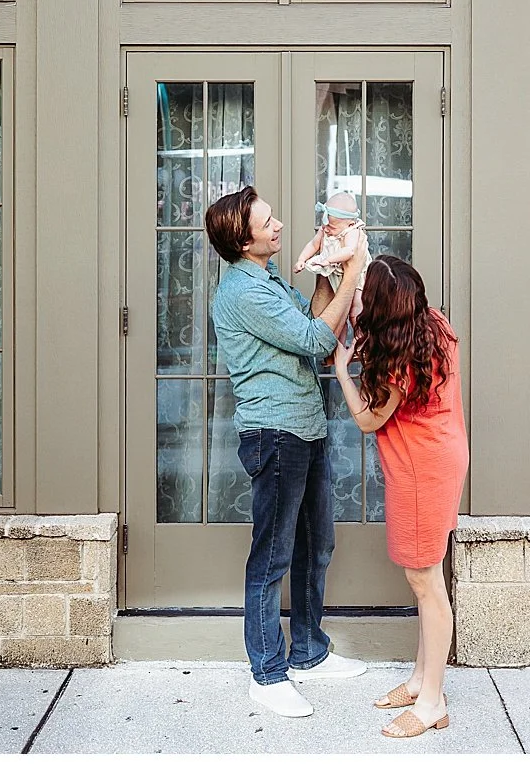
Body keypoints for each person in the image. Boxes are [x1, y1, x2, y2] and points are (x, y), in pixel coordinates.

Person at [204, 187, 368, 719]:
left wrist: (326, 269)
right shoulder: (243, 293)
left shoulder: (270, 280)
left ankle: (308, 652)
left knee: (315, 544)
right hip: (275, 434)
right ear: (242, 239)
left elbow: (316, 317)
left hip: (305, 427)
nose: (279, 226)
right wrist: (356, 264)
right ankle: (267, 674)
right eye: (267, 221)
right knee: (272, 556)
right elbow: (320, 341)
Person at [331, 256, 469, 740]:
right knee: (425, 581)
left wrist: (343, 370)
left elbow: (368, 421)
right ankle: (419, 682)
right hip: (443, 458)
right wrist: (349, 262)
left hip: (420, 472)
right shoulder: (433, 325)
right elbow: (372, 309)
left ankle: (432, 701)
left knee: (426, 584)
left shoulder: (397, 365)